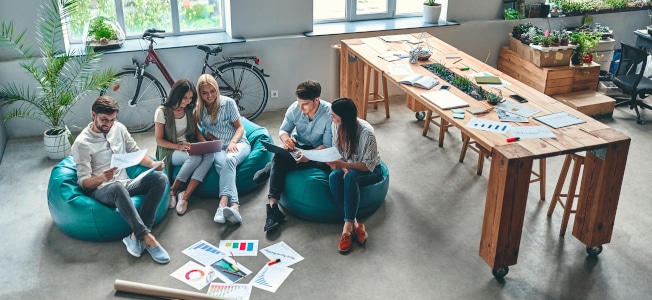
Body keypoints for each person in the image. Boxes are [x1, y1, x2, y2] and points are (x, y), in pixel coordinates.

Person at [71, 96, 170, 264]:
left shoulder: (119, 128)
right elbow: (84, 183)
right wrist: (102, 177)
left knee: (160, 179)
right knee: (116, 187)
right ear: (93, 115)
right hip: (102, 190)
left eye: (112, 120)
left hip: (125, 183)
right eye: (104, 119)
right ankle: (148, 238)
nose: (108, 125)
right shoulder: (82, 143)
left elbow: (135, 153)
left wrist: (153, 164)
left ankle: (134, 236)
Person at [253, 80, 332, 232]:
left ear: (317, 100)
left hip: (320, 153)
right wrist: (287, 140)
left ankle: (271, 168)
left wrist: (309, 156)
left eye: (305, 104)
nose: (300, 108)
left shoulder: (329, 114)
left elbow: (327, 146)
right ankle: (273, 207)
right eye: (299, 103)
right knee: (279, 154)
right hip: (300, 146)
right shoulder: (294, 108)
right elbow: (283, 131)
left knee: (280, 161)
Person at [326, 97, 382, 254]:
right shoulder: (336, 125)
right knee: (333, 177)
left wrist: (345, 167)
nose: (331, 118)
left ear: (344, 117)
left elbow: (368, 166)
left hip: (371, 170)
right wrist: (343, 168)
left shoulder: (367, 133)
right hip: (349, 166)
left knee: (351, 177)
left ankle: (346, 230)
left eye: (334, 115)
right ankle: (355, 224)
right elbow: (338, 151)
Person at [195, 74, 251, 224]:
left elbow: (240, 128)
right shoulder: (198, 109)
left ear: (217, 89)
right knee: (221, 165)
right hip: (218, 147)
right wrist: (206, 142)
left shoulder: (228, 103)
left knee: (230, 159)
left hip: (239, 143)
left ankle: (222, 204)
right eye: (205, 93)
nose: (210, 95)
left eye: (212, 91)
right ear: (200, 94)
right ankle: (235, 208)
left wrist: (233, 142)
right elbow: (197, 129)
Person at [155, 79, 213, 216]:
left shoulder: (188, 110)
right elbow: (159, 140)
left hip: (187, 145)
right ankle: (173, 190)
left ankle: (186, 195)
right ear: (176, 95)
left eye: (191, 98)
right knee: (195, 157)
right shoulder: (162, 112)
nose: (188, 101)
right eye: (185, 97)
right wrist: (178, 147)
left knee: (210, 154)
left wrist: (205, 144)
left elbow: (196, 130)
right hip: (170, 150)